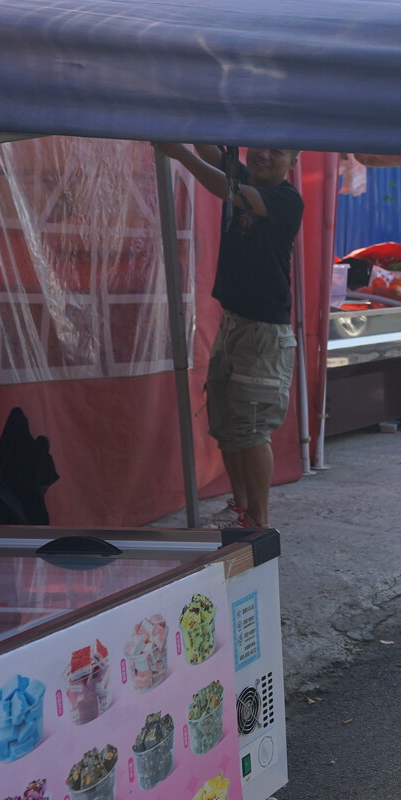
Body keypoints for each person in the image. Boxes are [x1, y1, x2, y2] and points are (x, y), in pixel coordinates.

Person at [153, 142, 305, 530]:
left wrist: (180, 155)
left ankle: (257, 520)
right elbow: (213, 154)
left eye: (277, 151)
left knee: (251, 430)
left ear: (293, 161)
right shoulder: (245, 175)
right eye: (259, 147)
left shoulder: (287, 200)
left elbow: (228, 188)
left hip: (264, 332)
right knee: (227, 426)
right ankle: (240, 508)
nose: (263, 155)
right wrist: (188, 128)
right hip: (233, 323)